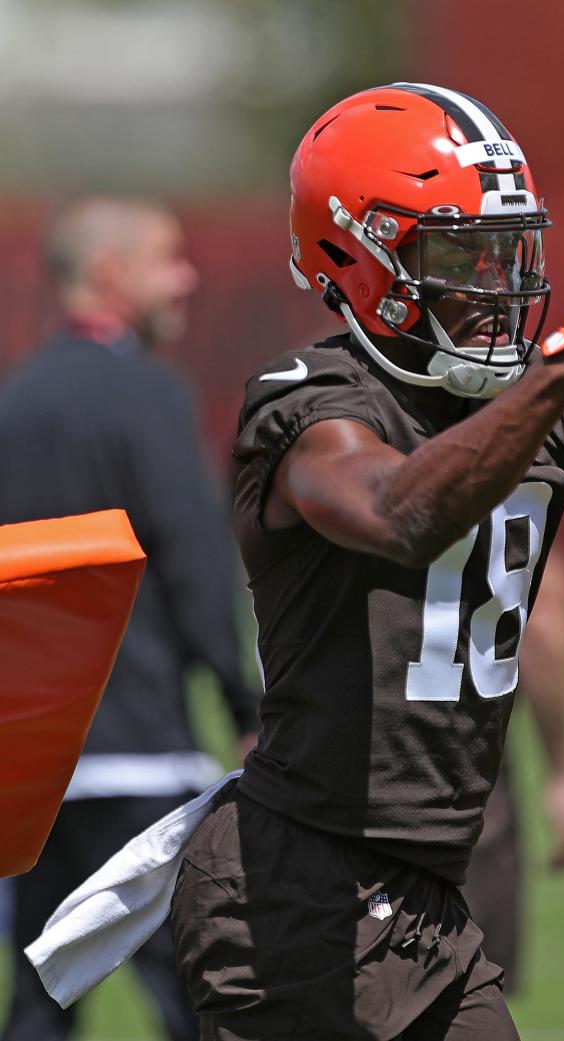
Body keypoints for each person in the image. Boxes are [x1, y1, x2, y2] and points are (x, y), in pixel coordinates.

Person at [169, 82, 564, 1041]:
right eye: (461, 254)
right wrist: (558, 372)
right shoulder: (313, 404)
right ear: (355, 259)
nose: (496, 285)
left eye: (509, 253)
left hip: (428, 897)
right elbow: (398, 509)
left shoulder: (546, 410)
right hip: (293, 887)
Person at [0, 197, 260, 1041]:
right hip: (142, 753)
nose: (184, 277)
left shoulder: (16, 399)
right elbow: (193, 558)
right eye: (166, 258)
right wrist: (245, 704)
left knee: (42, 996)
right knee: (198, 997)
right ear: (111, 275)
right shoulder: (147, 393)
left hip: (33, 766)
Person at [462, 545, 564, 994]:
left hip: (335, 765)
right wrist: (562, 771)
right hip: (465, 771)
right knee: (464, 999)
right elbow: (542, 612)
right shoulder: (508, 474)